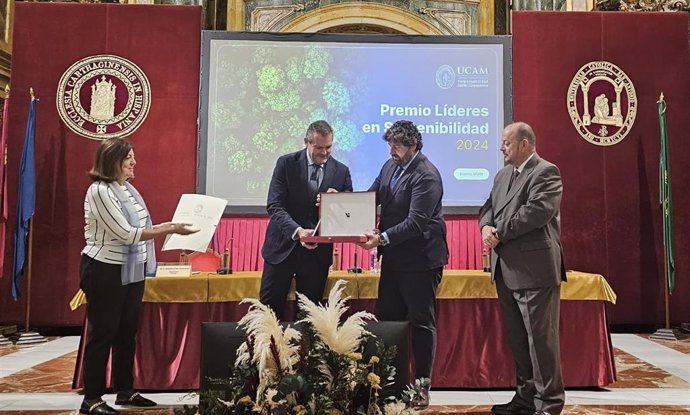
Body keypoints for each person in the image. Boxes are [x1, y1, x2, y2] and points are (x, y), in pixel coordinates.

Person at [79, 138, 197, 415]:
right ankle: (92, 399)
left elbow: (141, 227)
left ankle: (125, 390)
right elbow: (126, 234)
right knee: (103, 334)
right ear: (113, 162)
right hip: (104, 269)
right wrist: (170, 229)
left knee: (126, 333)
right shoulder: (100, 191)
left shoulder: (127, 189)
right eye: (128, 158)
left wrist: (168, 226)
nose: (134, 162)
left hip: (130, 270)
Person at [478, 122, 566, 415]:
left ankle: (549, 404)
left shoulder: (546, 172)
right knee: (519, 340)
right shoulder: (503, 174)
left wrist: (498, 233)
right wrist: (486, 227)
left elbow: (536, 213)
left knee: (541, 342)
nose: (501, 147)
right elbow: (487, 207)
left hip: (535, 270)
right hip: (506, 270)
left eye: (506, 142)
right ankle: (526, 399)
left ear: (526, 143)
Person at [360, 120, 448, 409]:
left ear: (413, 145)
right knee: (389, 321)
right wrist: (342, 204)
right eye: (389, 144)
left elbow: (416, 223)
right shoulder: (389, 167)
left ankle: (422, 386)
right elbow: (372, 198)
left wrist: (380, 238)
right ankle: (391, 385)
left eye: (396, 145)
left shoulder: (427, 175)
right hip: (395, 260)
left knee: (421, 324)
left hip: (421, 262)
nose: (391, 150)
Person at [260, 120, 352, 320]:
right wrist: (298, 231)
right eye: (319, 147)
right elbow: (274, 206)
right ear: (306, 142)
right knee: (268, 315)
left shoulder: (341, 171)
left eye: (328, 147)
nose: (325, 153)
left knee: (311, 320)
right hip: (281, 251)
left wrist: (337, 202)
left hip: (316, 258)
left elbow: (348, 214)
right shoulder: (286, 164)